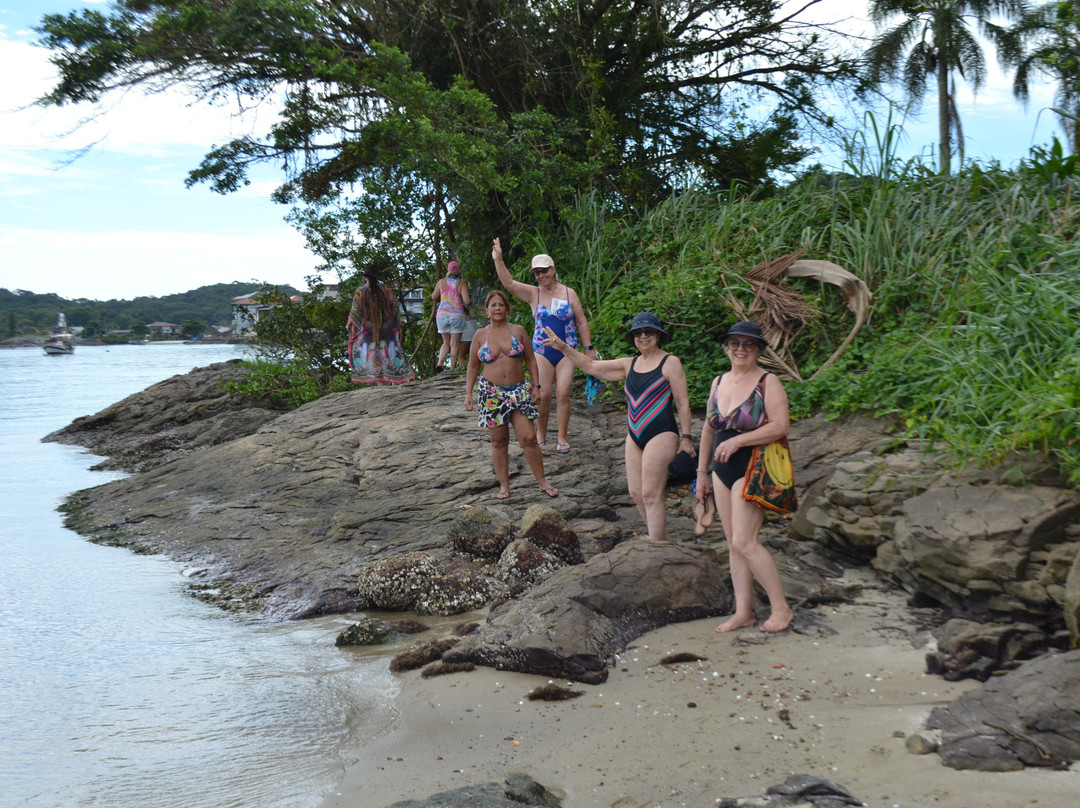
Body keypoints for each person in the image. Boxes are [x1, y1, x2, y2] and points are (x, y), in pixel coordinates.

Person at [542, 312, 694, 541]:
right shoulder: (628, 364)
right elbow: (591, 366)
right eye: (638, 333)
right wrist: (564, 347)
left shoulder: (670, 362)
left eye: (649, 332)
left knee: (651, 493)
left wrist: (687, 438)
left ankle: (658, 545)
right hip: (635, 435)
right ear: (633, 337)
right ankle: (656, 538)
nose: (643, 336)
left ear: (658, 335)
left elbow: (682, 403)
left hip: (662, 433)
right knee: (636, 493)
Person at [696, 320, 794, 634]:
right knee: (732, 543)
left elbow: (781, 426)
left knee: (745, 541)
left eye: (748, 344)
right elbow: (709, 429)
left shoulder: (768, 381)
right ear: (727, 347)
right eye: (735, 343)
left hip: (753, 465)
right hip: (721, 469)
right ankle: (744, 612)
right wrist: (701, 473)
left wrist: (738, 440)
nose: (741, 349)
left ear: (758, 350)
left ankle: (781, 609)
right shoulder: (718, 381)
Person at [492, 237, 595, 454]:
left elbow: (582, 321)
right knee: (544, 394)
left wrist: (588, 348)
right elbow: (508, 283)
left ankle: (562, 437)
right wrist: (498, 259)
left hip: (567, 350)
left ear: (553, 269)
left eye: (544, 270)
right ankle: (541, 434)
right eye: (537, 272)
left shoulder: (569, 293)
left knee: (564, 391)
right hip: (542, 351)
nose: (541, 275)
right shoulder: (533, 293)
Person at [466, 290, 558, 500]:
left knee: (528, 437)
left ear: (507, 309)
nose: (497, 308)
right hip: (491, 393)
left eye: (501, 305)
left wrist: (536, 386)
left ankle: (542, 482)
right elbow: (473, 367)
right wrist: (468, 394)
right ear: (487, 310)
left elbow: (531, 359)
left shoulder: (518, 331)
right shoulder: (480, 335)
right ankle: (504, 487)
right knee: (499, 441)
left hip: (518, 391)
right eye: (493, 305)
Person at [347, 263, 415, 385]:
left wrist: (349, 325)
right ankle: (395, 380)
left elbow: (355, 311)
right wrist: (396, 323)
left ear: (365, 276)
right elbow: (395, 306)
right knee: (389, 352)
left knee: (374, 354)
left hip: (369, 330)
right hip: (387, 328)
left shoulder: (360, 292)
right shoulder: (386, 289)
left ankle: (380, 385)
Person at [430, 260, 472, 371]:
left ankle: (440, 364)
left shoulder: (441, 282)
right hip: (457, 315)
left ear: (448, 271)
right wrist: (470, 301)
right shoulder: (461, 283)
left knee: (446, 342)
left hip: (442, 315)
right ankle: (452, 368)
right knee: (454, 344)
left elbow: (434, 297)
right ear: (459, 272)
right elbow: (467, 301)